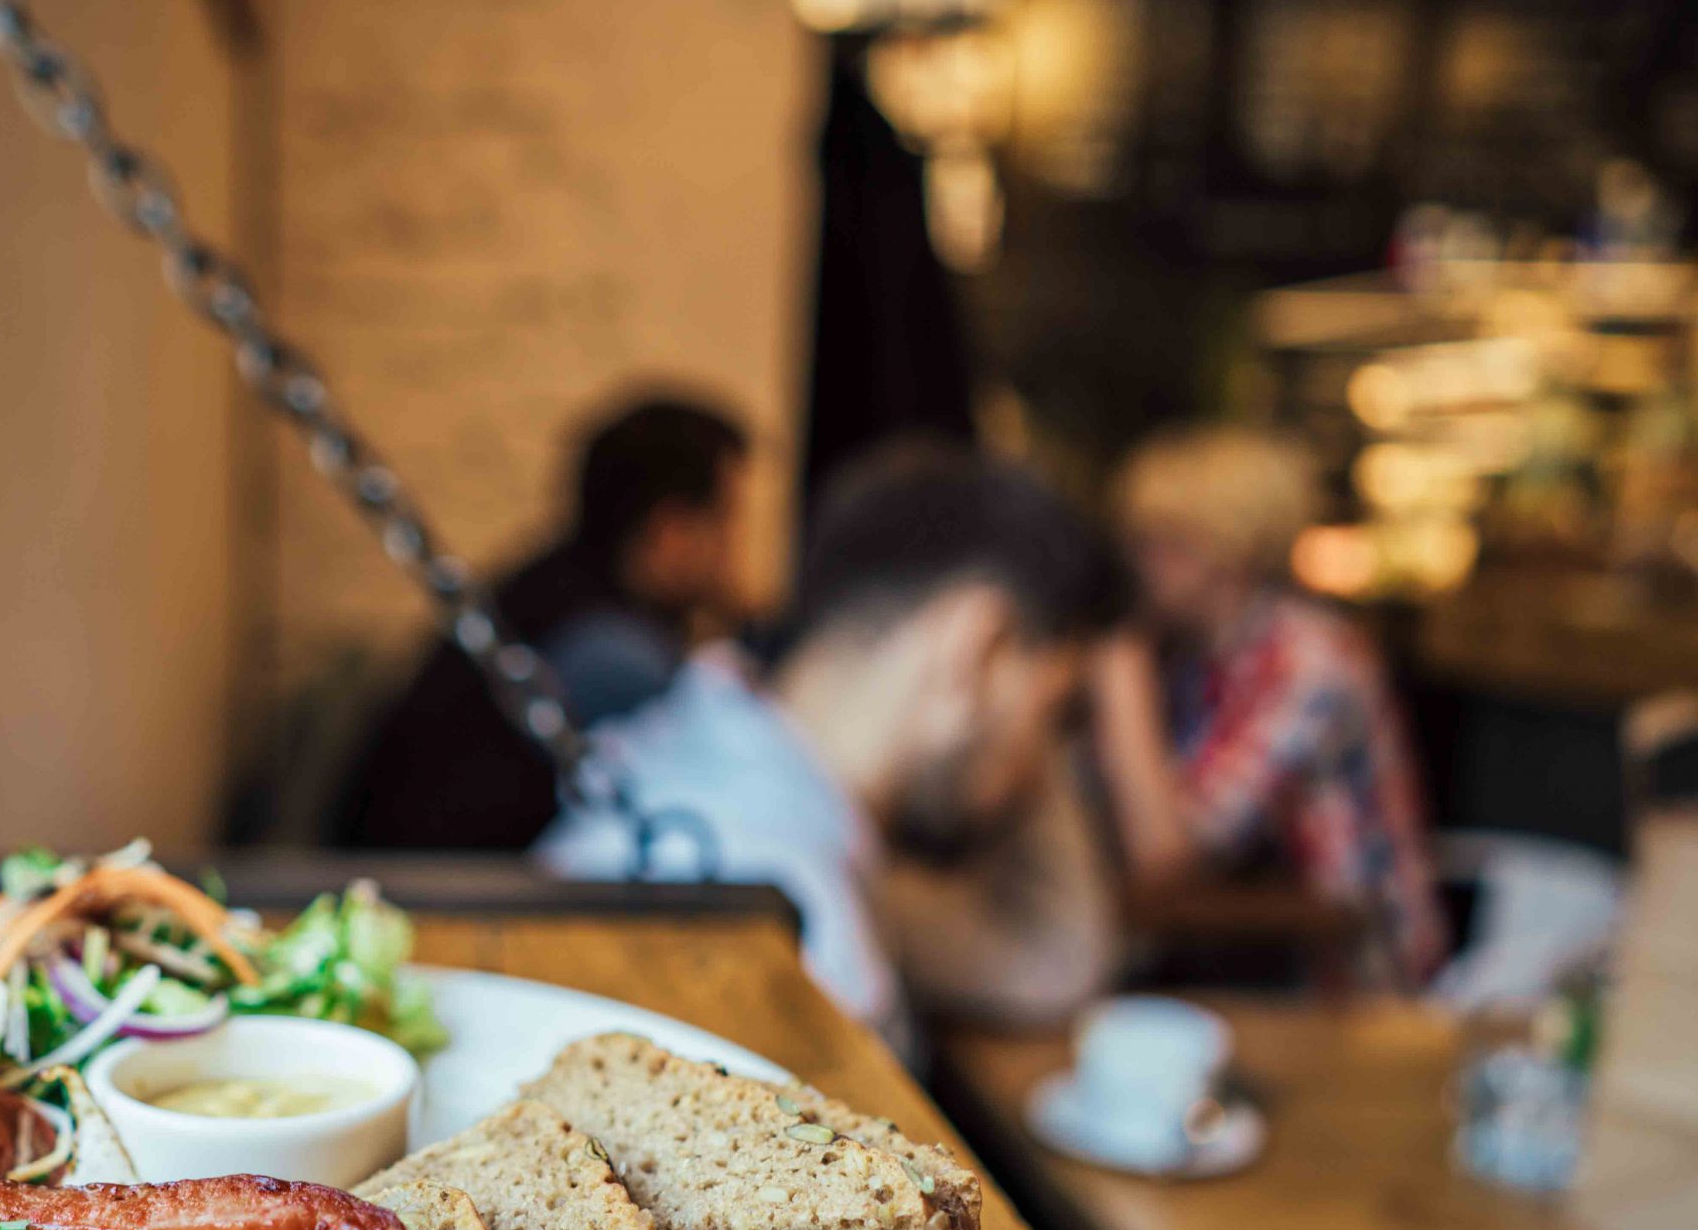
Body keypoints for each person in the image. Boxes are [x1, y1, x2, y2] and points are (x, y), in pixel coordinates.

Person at [537, 444, 1132, 1053]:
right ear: (979, 650)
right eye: (1059, 715)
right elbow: (1057, 954)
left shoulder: (703, 745)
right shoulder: (812, 944)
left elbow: (1052, 960)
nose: (1041, 773)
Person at [1089, 425, 1448, 987]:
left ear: (1234, 546)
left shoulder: (1310, 663)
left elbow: (1165, 861)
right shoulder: (1194, 658)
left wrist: (1117, 670)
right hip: (1250, 960)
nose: (1140, 562)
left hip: (1351, 986)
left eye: (1162, 540)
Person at [332, 394, 750, 850]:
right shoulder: (610, 654)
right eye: (726, 522)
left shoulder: (552, 590)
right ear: (672, 529)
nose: (735, 550)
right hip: (436, 890)